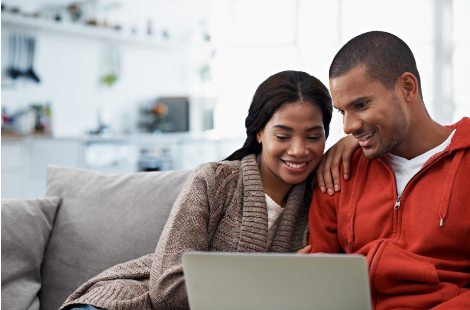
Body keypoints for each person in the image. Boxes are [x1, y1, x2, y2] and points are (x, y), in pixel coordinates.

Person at [61, 70, 334, 310]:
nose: (299, 150)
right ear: (259, 132)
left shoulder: (324, 197)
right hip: (129, 301)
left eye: (313, 136)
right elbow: (169, 290)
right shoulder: (215, 180)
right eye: (283, 136)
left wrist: (347, 146)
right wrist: (275, 276)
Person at [308, 31, 470, 309]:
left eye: (361, 105)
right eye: (342, 112)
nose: (348, 127)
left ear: (407, 87)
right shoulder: (339, 172)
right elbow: (317, 280)